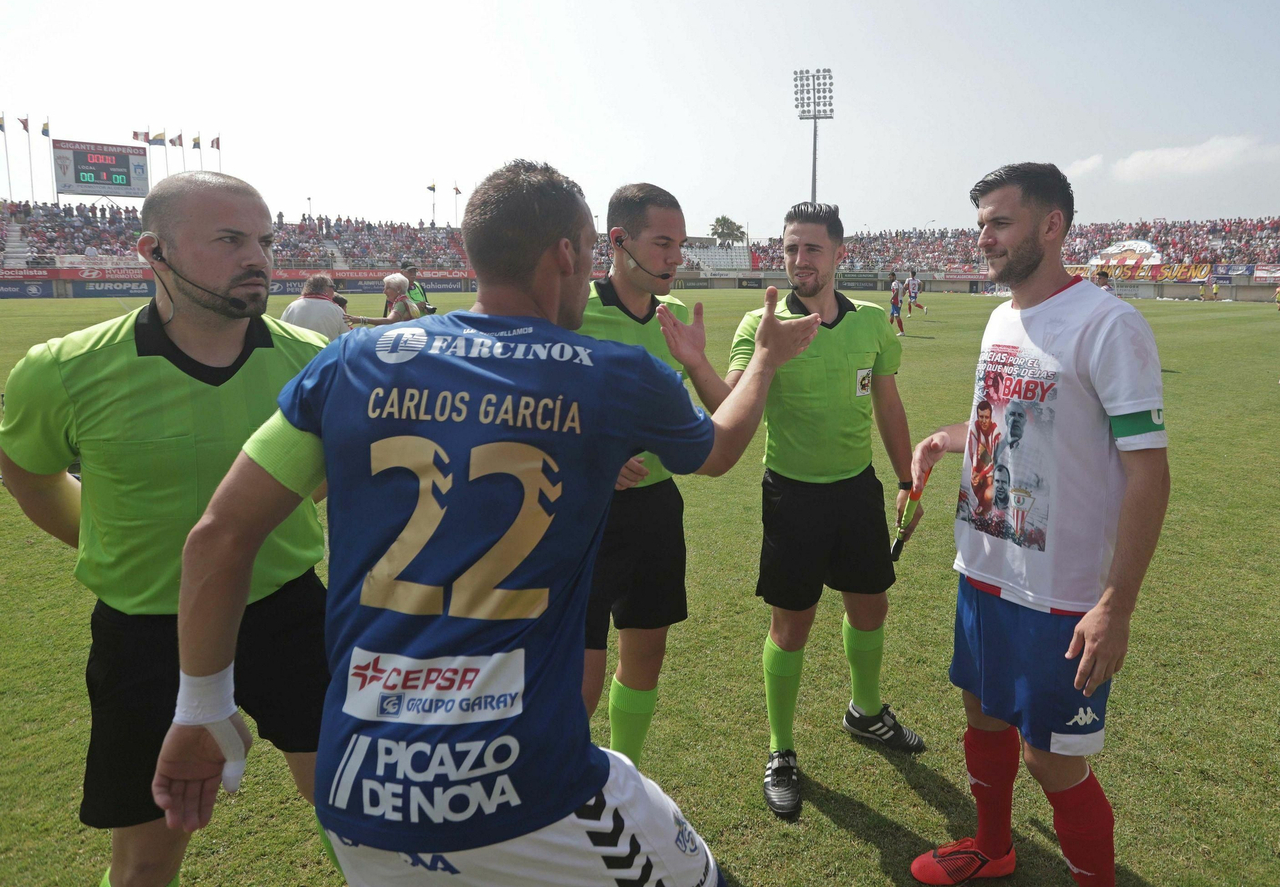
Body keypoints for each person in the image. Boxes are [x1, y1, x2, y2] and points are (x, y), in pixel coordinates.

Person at [149, 159, 820, 887]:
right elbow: (720, 450)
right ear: (566, 254)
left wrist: (200, 708)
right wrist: (765, 359)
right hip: (527, 789)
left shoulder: (352, 361)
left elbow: (219, 534)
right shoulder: (613, 374)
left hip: (359, 792)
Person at [0, 172, 332, 887]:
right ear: (154, 251)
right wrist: (114, 545)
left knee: (353, 807)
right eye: (230, 239)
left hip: (290, 613)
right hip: (145, 632)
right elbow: (31, 475)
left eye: (265, 240)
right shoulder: (63, 371)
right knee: (146, 861)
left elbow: (331, 475)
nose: (258, 258)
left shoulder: (313, 362)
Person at [906, 163, 1170, 886]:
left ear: (1052, 226)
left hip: (1061, 596)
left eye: (1000, 222)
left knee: (1051, 759)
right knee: (983, 716)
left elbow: (1149, 473)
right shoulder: (1001, 319)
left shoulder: (1108, 324)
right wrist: (945, 439)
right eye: (980, 224)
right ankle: (993, 847)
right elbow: (1006, 423)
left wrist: (1116, 604)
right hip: (983, 567)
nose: (984, 238)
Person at [686, 201, 924, 820]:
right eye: (791, 248)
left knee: (871, 607)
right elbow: (729, 407)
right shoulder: (761, 324)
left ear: (839, 254)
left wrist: (906, 479)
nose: (799, 260)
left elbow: (888, 404)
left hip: (857, 490)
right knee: (791, 626)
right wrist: (703, 362)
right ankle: (781, 749)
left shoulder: (872, 324)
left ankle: (865, 711)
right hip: (792, 494)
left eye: (812, 248)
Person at [575, 182, 724, 766]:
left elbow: (721, 416)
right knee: (581, 678)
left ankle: (624, 776)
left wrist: (699, 361)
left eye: (680, 245)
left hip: (658, 510)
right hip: (584, 513)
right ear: (618, 240)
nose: (675, 257)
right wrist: (596, 456)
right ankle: (563, 785)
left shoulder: (677, 318)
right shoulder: (573, 313)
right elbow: (530, 413)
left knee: (646, 655)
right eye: (663, 243)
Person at [280, 272, 349, 340]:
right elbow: (346, 338)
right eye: (333, 287)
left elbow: (281, 334)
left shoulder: (291, 307)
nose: (334, 291)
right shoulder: (336, 309)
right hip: (326, 347)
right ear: (327, 288)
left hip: (297, 347)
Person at [347, 273, 418, 328]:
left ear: (398, 289)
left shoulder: (400, 303)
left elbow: (390, 321)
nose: (384, 292)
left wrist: (361, 319)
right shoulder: (407, 301)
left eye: (387, 288)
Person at [888, 270, 906, 335]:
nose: (890, 279)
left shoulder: (894, 283)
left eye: (891, 277)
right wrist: (901, 297)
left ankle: (902, 332)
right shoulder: (899, 283)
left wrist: (892, 298)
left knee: (897, 316)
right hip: (898, 301)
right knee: (892, 315)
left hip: (896, 301)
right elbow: (904, 292)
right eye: (889, 278)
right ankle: (887, 330)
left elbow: (896, 291)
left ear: (894, 277)